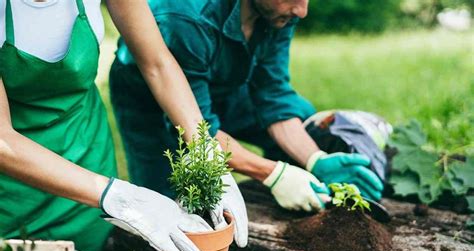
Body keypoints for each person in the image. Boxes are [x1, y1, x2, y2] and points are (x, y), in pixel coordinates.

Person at [0, 0, 247, 251]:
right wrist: (116, 196)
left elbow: (157, 63)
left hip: (88, 178)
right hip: (13, 201)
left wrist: (204, 150)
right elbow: (3, 140)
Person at [109, 0, 384, 213]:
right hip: (151, 100)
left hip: (227, 81)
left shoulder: (278, 11)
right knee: (171, 203)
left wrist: (316, 159)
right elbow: (199, 133)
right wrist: (274, 175)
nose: (302, 11)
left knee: (301, 116)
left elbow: (272, 93)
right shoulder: (187, 19)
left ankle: (299, 195)